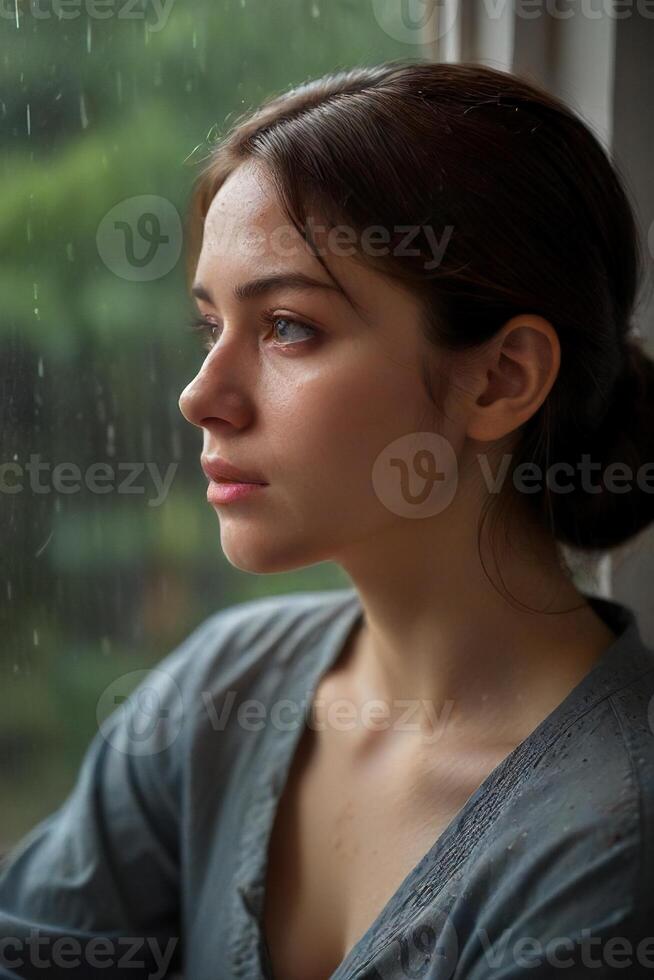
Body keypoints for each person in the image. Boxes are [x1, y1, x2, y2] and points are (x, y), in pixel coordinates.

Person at [2, 57, 654, 980]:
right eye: (208, 328)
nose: (201, 397)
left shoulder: (611, 846)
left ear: (501, 379)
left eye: (287, 328)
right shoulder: (217, 694)